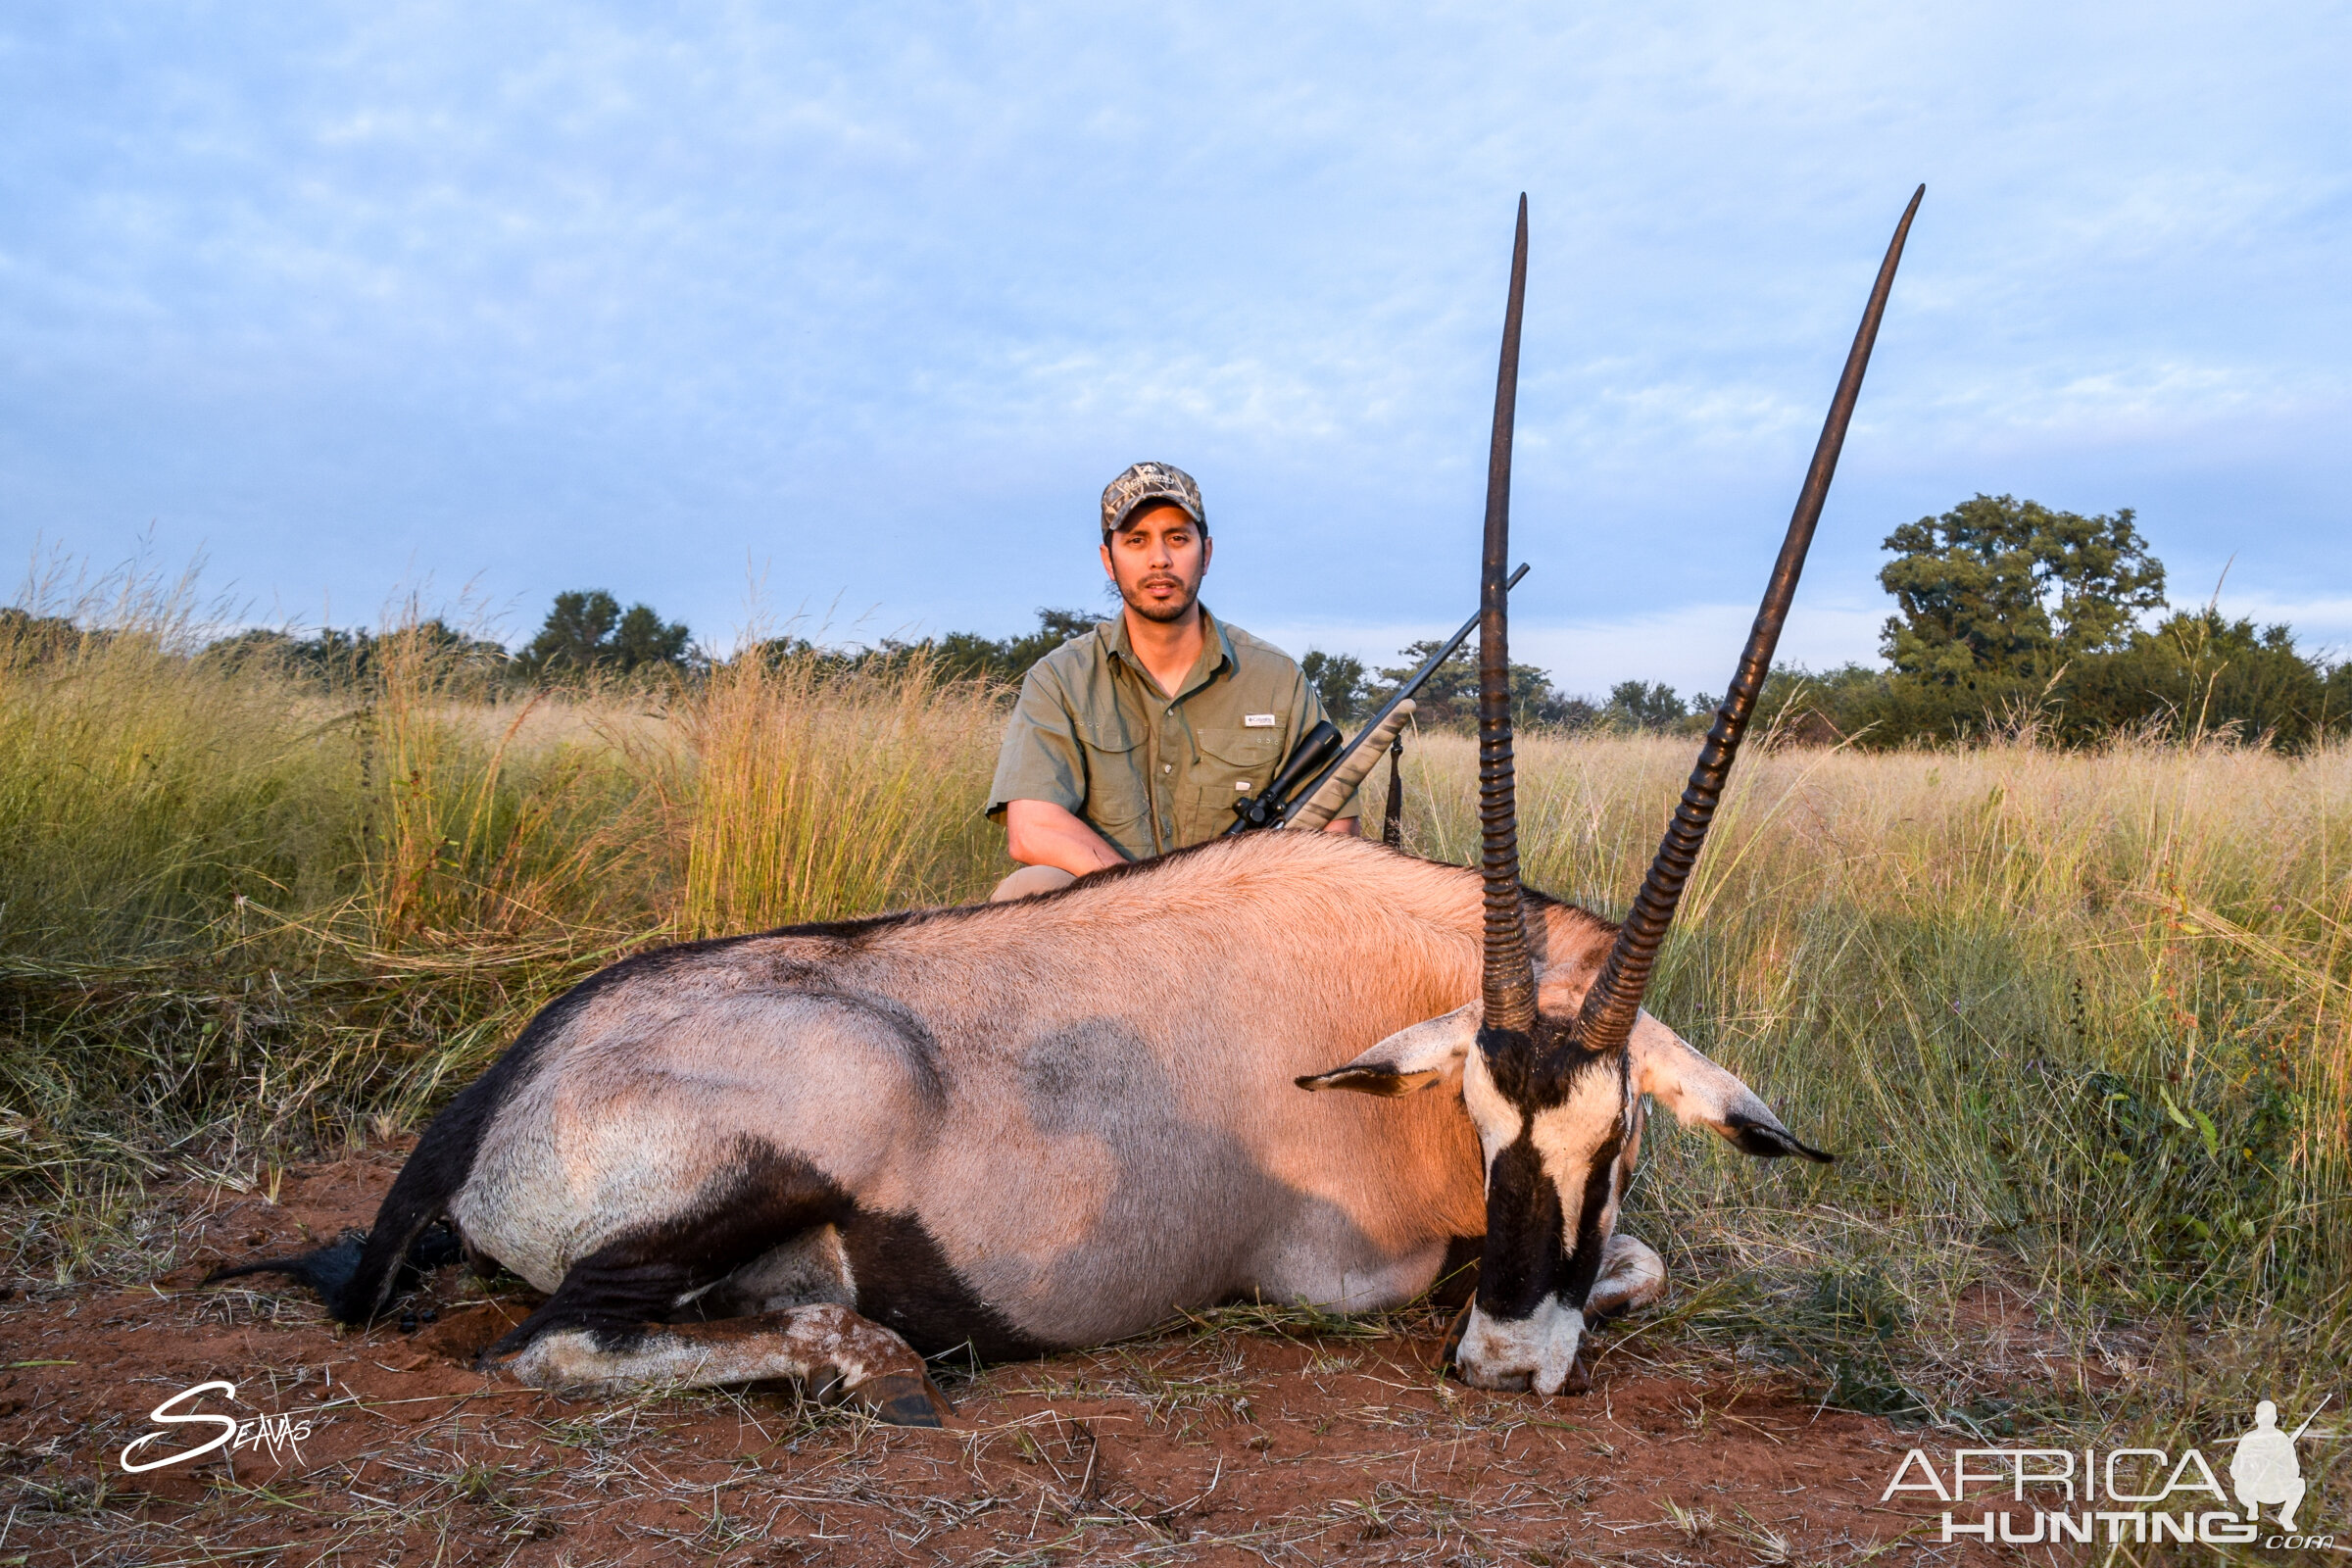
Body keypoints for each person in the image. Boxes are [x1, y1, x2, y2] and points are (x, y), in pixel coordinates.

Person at [986, 461, 1357, 901]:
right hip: (1114, 914)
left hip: (1249, 918)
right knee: (1028, 890)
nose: (1159, 559)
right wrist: (1159, 902)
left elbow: (1336, 828)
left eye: (1177, 538)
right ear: (1109, 560)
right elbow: (1033, 828)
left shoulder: (1278, 678)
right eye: (1136, 540)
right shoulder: (1060, 677)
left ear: (1207, 553)